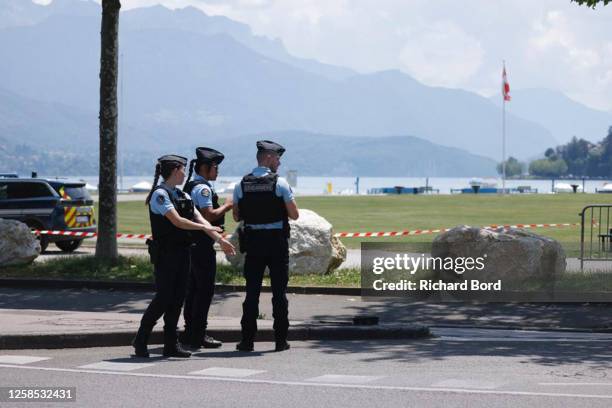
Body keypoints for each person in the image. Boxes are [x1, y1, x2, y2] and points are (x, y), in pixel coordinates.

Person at [132, 154, 235, 358]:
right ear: (173, 171)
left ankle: (171, 344)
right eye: (181, 169)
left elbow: (200, 218)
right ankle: (141, 338)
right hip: (166, 254)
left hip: (183, 252)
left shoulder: (182, 195)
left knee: (178, 298)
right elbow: (178, 221)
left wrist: (219, 239)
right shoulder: (159, 195)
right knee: (163, 298)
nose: (184, 173)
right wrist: (204, 226)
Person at [233, 140, 299, 352]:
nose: (279, 163)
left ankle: (247, 341)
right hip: (276, 243)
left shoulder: (241, 185)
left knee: (252, 293)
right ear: (268, 157)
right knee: (279, 294)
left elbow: (236, 216)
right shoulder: (280, 184)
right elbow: (294, 214)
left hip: (253, 243)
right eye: (277, 158)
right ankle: (280, 340)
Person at [179, 147, 233, 349]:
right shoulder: (202, 188)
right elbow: (208, 215)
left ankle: (190, 331)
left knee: (192, 290)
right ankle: (198, 334)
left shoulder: (192, 184)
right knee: (204, 291)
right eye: (215, 167)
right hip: (201, 245)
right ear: (204, 168)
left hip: (191, 244)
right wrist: (227, 205)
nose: (217, 171)